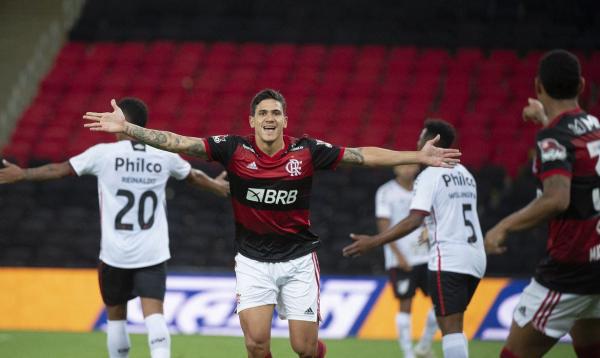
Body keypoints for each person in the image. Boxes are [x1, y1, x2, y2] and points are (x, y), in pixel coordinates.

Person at [82, 88, 461, 358]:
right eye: (262, 113)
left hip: (298, 259)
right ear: (252, 120)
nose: (269, 118)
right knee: (257, 343)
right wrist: (128, 129)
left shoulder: (307, 151)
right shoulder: (234, 148)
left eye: (275, 113)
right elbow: (180, 142)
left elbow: (363, 156)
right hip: (252, 261)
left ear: (284, 120)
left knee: (304, 348)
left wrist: (418, 156)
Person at [0, 97, 229, 358]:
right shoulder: (164, 155)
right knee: (154, 315)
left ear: (122, 123)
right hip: (152, 252)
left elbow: (60, 170)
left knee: (116, 317)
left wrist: (24, 174)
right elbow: (194, 176)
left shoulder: (103, 154)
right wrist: (218, 187)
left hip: (114, 254)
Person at [485, 49, 600, 358]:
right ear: (582, 86)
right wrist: (546, 120)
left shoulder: (553, 137)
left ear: (538, 86)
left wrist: (502, 226)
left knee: (515, 353)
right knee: (590, 346)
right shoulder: (594, 126)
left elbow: (557, 199)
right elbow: (572, 146)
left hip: (570, 269)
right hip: (596, 259)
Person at [343, 120, 485, 358]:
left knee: (450, 328)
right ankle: (419, 349)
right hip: (475, 257)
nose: (417, 144)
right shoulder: (465, 174)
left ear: (431, 142)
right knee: (452, 322)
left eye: (421, 139)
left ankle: (419, 350)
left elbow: (415, 219)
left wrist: (374, 242)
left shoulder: (430, 174)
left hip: (447, 257)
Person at [375, 164, 438, 358]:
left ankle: (424, 345)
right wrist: (400, 257)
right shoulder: (386, 191)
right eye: (403, 165)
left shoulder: (424, 188)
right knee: (405, 304)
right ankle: (408, 353)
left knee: (440, 302)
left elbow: (434, 216)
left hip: (428, 256)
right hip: (400, 259)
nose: (408, 169)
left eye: (411, 165)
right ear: (395, 169)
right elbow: (384, 227)